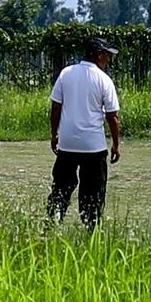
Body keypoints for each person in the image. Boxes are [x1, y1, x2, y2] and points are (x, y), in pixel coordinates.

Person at [47, 37, 123, 226]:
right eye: (106, 55)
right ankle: (91, 228)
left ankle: (54, 220)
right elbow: (112, 116)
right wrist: (116, 144)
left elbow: (56, 107)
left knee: (61, 187)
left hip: (67, 144)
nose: (108, 60)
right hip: (93, 147)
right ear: (98, 55)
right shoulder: (103, 80)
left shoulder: (66, 73)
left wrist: (54, 134)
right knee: (93, 191)